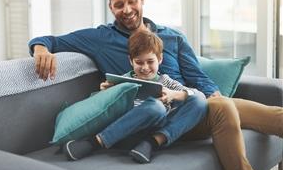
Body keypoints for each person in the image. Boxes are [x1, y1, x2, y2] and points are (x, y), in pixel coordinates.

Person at [29, 0, 283, 170]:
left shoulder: (171, 36)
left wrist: (213, 94)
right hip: (153, 115)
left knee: (265, 113)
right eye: (119, 5)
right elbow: (49, 40)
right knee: (223, 109)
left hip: (189, 105)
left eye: (131, 1)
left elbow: (197, 76)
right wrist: (40, 49)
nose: (127, 9)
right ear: (111, 7)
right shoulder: (100, 39)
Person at [63, 30, 208, 163]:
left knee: (200, 101)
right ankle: (95, 142)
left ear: (160, 59)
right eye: (139, 62)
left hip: (157, 133)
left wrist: (172, 94)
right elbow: (99, 109)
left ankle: (152, 143)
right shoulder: (121, 81)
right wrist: (104, 93)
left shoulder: (165, 81)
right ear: (131, 61)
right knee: (156, 108)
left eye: (150, 61)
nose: (145, 68)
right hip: (127, 132)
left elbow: (198, 95)